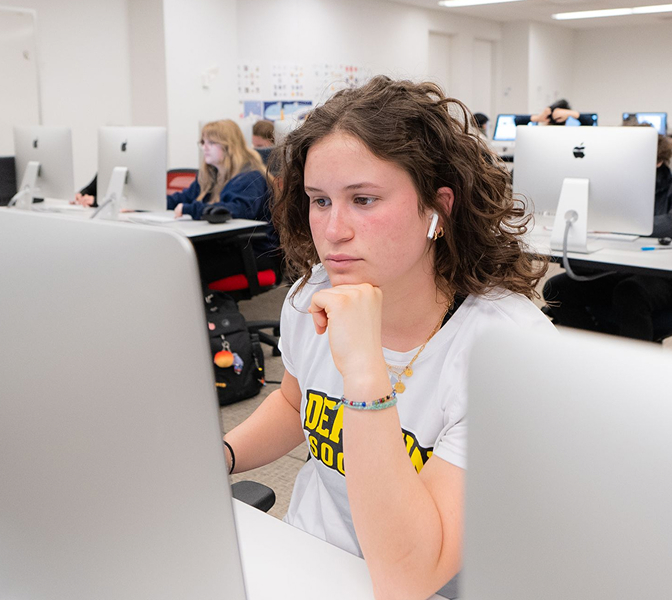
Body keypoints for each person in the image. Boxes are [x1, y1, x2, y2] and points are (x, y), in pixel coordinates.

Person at [222, 76, 554, 600]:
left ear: (437, 209)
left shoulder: (506, 352)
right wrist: (222, 455)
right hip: (306, 562)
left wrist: (363, 371)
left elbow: (407, 579)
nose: (333, 230)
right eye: (320, 201)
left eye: (364, 199)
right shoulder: (313, 295)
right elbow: (295, 403)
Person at [542, 133, 672, 341]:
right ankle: (597, 348)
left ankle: (635, 366)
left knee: (630, 292)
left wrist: (622, 226)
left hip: (661, 274)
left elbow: (668, 223)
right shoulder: (615, 183)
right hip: (619, 266)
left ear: (658, 161)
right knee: (555, 288)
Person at [167, 119, 277, 283]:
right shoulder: (210, 175)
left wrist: (190, 209)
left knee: (185, 269)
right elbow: (180, 199)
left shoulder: (250, 177)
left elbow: (233, 210)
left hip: (250, 251)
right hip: (222, 246)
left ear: (229, 146)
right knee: (173, 260)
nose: (205, 147)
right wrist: (145, 204)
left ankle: (213, 306)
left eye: (211, 142)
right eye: (203, 142)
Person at [515, 99, 596, 127]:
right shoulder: (539, 131)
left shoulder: (570, 133)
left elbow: (590, 122)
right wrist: (538, 118)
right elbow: (517, 120)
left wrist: (569, 113)